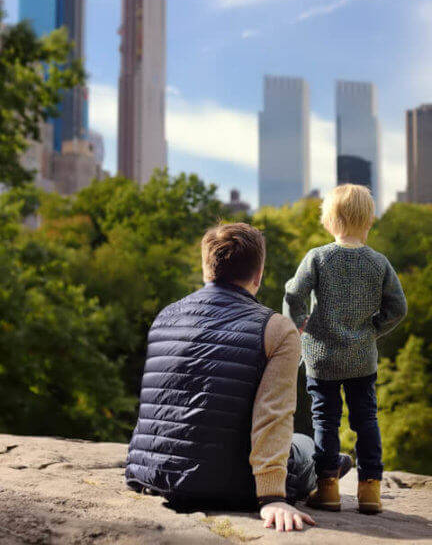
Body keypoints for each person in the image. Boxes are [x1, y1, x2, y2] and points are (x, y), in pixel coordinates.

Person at [125, 223, 349, 532]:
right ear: (258, 275)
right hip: (233, 486)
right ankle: (330, 466)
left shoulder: (166, 315)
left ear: (206, 269)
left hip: (155, 477)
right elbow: (273, 415)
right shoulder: (276, 327)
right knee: (305, 444)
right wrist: (272, 496)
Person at [283, 184, 407, 514]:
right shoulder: (379, 263)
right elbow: (398, 308)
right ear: (369, 221)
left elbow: (294, 295)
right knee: (366, 420)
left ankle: (328, 490)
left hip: (321, 356)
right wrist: (373, 330)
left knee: (325, 420)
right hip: (362, 359)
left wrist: (297, 326)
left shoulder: (318, 257)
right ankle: (370, 492)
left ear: (329, 221)